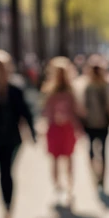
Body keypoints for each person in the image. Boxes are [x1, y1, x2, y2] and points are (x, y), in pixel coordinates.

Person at [0, 50, 36, 218]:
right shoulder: (15, 88)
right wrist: (33, 134)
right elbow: (26, 113)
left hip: (9, 138)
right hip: (4, 137)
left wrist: (33, 133)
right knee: (6, 172)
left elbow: (25, 112)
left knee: (5, 172)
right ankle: (8, 210)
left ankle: (7, 209)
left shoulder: (15, 89)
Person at [42, 56, 83, 205]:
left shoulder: (69, 89)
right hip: (57, 128)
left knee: (66, 159)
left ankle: (67, 187)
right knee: (58, 159)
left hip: (66, 128)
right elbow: (46, 111)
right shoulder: (50, 89)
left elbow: (76, 110)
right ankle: (60, 187)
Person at [81, 55, 109, 190]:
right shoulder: (103, 85)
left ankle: (97, 174)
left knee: (93, 150)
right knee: (101, 151)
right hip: (100, 122)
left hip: (94, 122)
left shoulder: (89, 86)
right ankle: (100, 175)